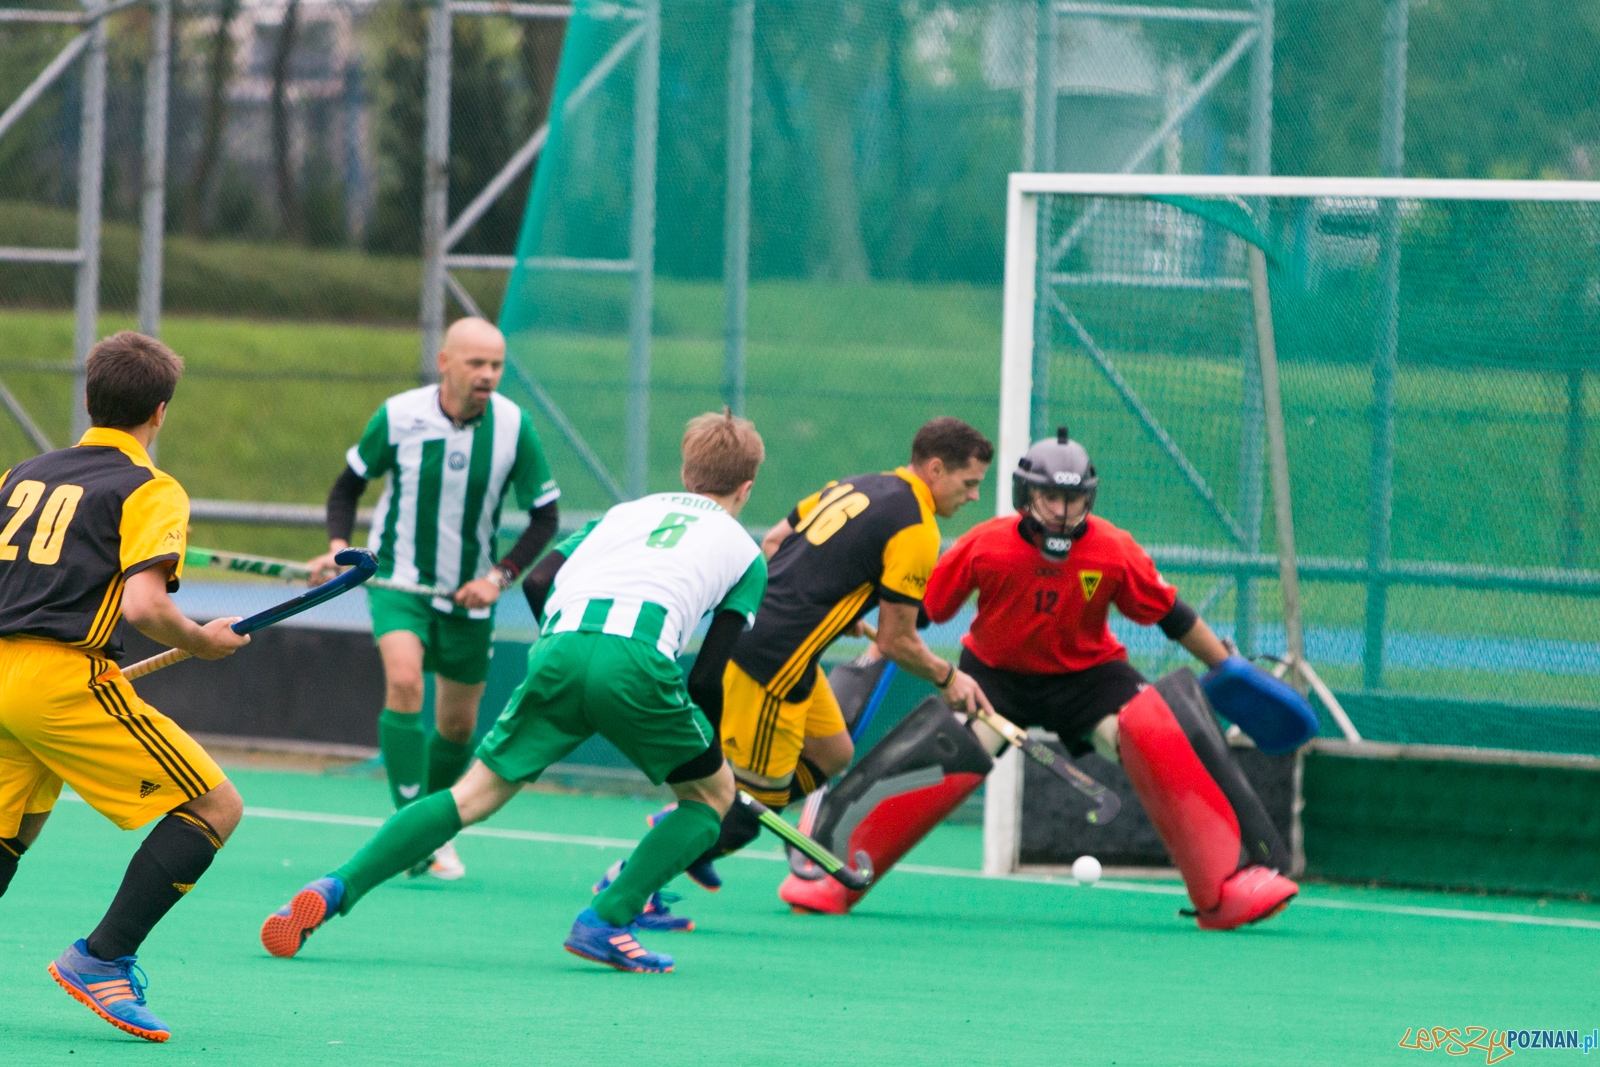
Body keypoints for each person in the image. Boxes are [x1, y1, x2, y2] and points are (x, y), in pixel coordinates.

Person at [262, 410, 768, 974]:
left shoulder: (622, 514)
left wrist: (572, 659)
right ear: (746, 487)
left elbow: (539, 579)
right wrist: (709, 755)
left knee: (469, 797)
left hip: (558, 649)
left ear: (686, 470)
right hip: (638, 661)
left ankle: (337, 886)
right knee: (709, 800)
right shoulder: (747, 553)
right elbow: (706, 678)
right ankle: (606, 920)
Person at [918, 426, 1298, 930]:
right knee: (949, 757)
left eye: (1074, 499)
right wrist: (887, 645)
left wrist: (1226, 667)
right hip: (995, 679)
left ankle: (1233, 884)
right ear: (1026, 496)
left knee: (1157, 738)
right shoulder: (984, 545)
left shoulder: (1112, 549)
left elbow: (1172, 615)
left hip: (1089, 678)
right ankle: (841, 868)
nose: (1062, 511)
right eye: (1050, 497)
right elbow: (918, 614)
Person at [0, 332, 250, 1042]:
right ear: (160, 411)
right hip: (61, 684)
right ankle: (102, 957)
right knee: (215, 804)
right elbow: (144, 605)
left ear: (89, 397)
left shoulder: (20, 474)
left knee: (12, 826)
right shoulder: (150, 488)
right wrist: (200, 640)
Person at [659, 417, 996, 901]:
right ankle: (646, 868)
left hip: (779, 648)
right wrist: (948, 678)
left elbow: (775, 541)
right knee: (748, 813)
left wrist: (828, 607)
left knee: (832, 753)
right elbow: (896, 641)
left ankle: (702, 825)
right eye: (968, 483)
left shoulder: (858, 485)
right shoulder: (917, 529)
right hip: (774, 665)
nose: (974, 496)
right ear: (937, 469)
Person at [307, 317, 560, 880]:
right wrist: (339, 548)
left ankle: (431, 827)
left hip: (470, 596)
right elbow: (347, 487)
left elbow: (545, 517)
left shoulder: (514, 427)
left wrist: (499, 578)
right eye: (476, 363)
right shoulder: (399, 415)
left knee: (458, 727)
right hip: (398, 581)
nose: (487, 375)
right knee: (404, 681)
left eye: (496, 365)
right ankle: (408, 831)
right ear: (445, 362)